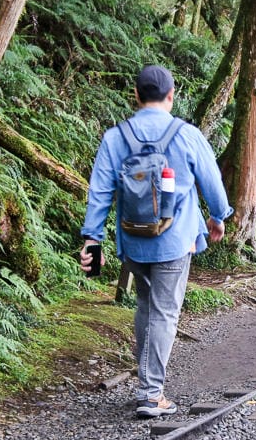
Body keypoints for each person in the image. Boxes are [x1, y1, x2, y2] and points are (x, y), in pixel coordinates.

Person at [79, 64, 233, 419]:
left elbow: (100, 191)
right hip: (175, 240)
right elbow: (212, 183)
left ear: (135, 95)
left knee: (146, 306)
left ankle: (149, 385)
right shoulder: (187, 134)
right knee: (164, 312)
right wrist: (218, 217)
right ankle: (150, 394)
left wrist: (92, 239)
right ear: (171, 96)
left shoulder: (116, 137)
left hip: (133, 239)